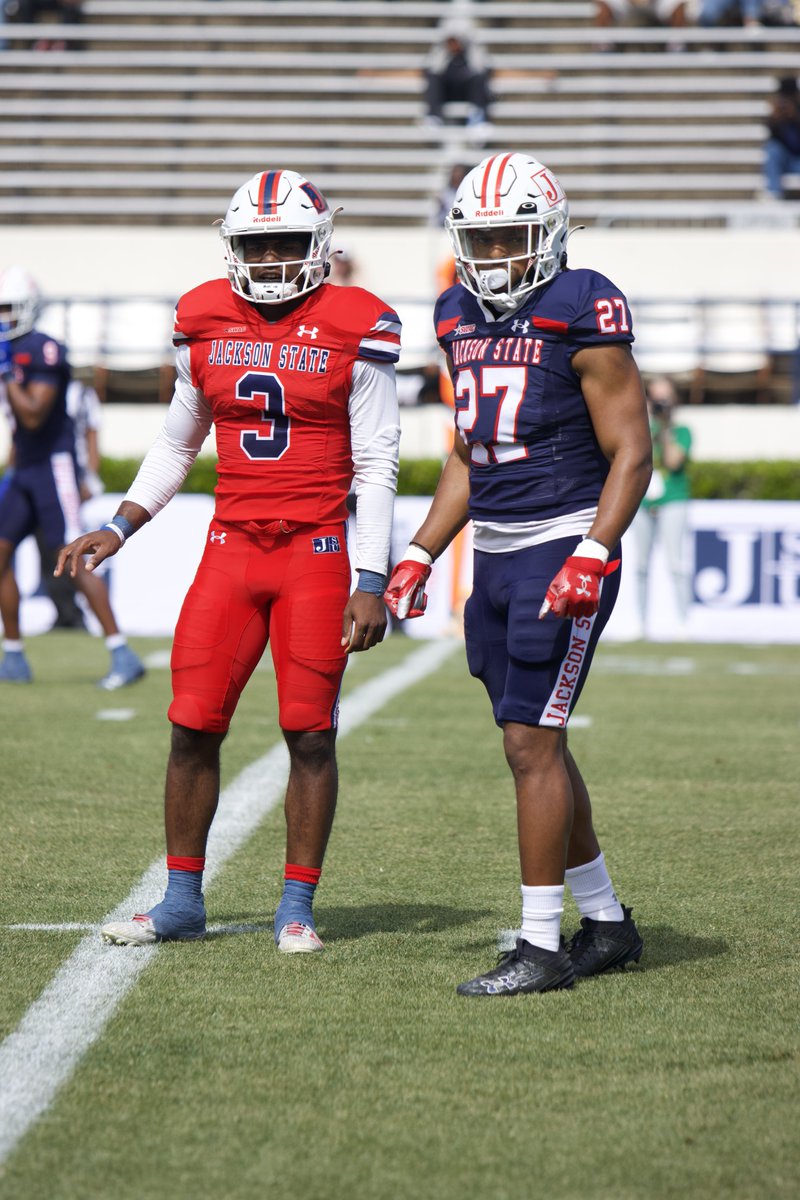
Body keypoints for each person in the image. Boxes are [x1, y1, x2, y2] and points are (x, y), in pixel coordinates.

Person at [56, 169, 402, 954]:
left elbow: (379, 461)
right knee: (190, 725)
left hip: (316, 552)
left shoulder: (358, 321)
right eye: (257, 243)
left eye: (286, 242)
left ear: (318, 246)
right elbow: (179, 442)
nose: (273, 257)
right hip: (230, 549)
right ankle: (180, 899)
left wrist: (370, 579)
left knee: (308, 732)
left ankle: (296, 905)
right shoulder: (203, 316)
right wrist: (121, 523)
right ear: (232, 246)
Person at [385, 152, 652, 997]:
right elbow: (468, 452)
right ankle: (605, 923)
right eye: (483, 236)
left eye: (513, 235)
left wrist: (594, 549)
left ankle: (540, 949)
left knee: (528, 742)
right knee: (535, 737)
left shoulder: (582, 303)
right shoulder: (456, 312)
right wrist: (422, 549)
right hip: (495, 549)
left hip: (562, 539)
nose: (497, 253)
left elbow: (632, 452)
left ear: (550, 234)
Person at [0, 265, 144, 687]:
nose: (2, 318)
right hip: (24, 467)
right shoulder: (12, 351)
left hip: (53, 466)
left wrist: (7, 371)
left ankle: (122, 653)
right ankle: (13, 654)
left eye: (8, 309)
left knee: (75, 557)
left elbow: (31, 414)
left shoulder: (44, 349)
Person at [631, 376, 692, 636]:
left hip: (673, 501)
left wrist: (664, 428)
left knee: (675, 562)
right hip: (643, 502)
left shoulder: (681, 432)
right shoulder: (641, 428)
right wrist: (645, 420)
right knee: (641, 565)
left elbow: (673, 461)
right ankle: (640, 624)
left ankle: (683, 622)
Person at [423, 19, 492, 132]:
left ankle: (477, 118)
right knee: (433, 78)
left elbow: (482, 69)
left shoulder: (471, 54)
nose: (452, 44)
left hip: (467, 93)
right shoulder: (442, 56)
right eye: (450, 41)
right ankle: (433, 116)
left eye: (455, 41)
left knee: (479, 79)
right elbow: (432, 69)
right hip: (447, 94)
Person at [762, 76, 800, 199]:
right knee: (772, 150)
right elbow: (773, 139)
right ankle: (774, 193)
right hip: (785, 160)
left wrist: (795, 118)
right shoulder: (777, 115)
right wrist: (776, 120)